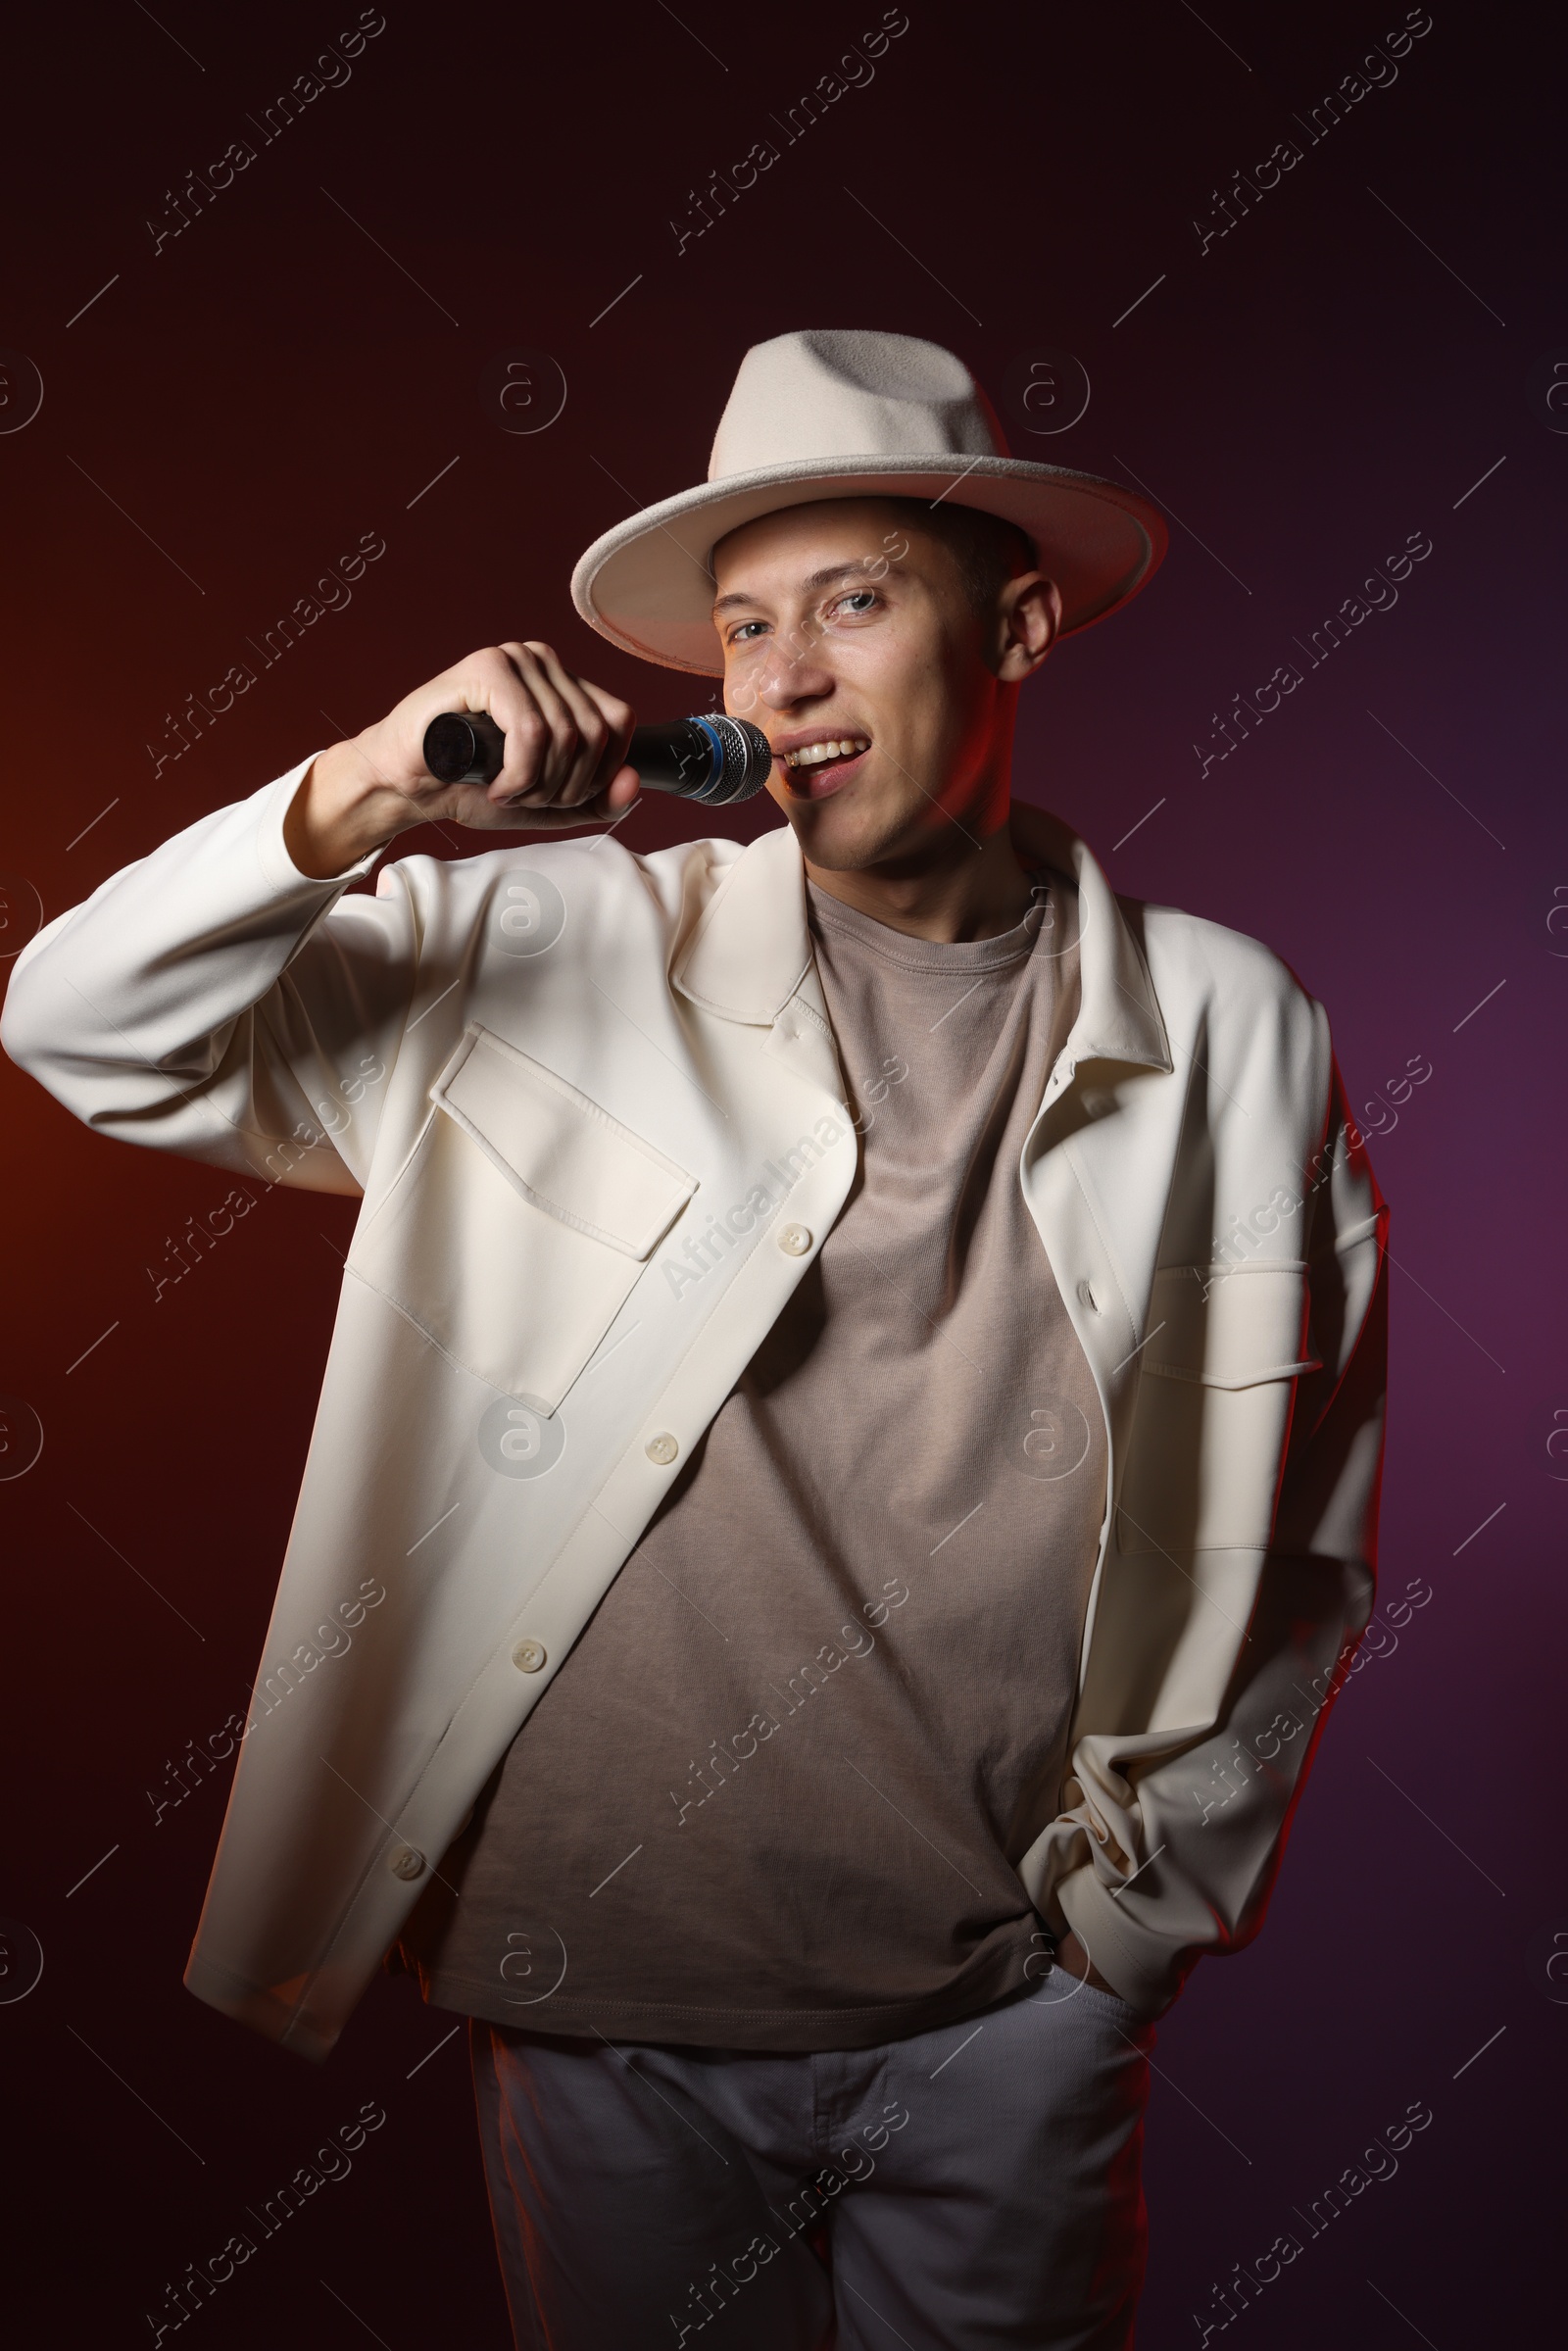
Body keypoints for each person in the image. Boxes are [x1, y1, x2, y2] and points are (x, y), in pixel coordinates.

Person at [2, 329, 1387, 2349]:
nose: (783, 678)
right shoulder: (556, 944)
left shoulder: (1228, 1027)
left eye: (850, 601)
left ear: (1008, 624)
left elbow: (1301, 1519)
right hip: (593, 2010)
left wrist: (1129, 1929)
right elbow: (78, 1025)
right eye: (742, 626)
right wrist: (365, 787)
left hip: (1004, 2019)